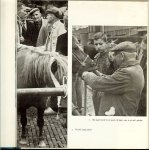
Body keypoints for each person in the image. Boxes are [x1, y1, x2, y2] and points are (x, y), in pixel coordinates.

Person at [81, 41, 144, 116]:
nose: (113, 59)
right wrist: (97, 73)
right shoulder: (135, 68)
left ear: (122, 55)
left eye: (115, 55)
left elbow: (99, 83)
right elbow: (112, 80)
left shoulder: (127, 72)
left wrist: (85, 74)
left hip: (118, 118)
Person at [92, 32, 115, 115]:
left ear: (106, 43)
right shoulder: (96, 57)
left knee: (105, 114)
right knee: (97, 112)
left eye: (101, 44)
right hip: (97, 90)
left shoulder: (111, 56)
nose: (98, 46)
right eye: (96, 44)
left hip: (108, 90)